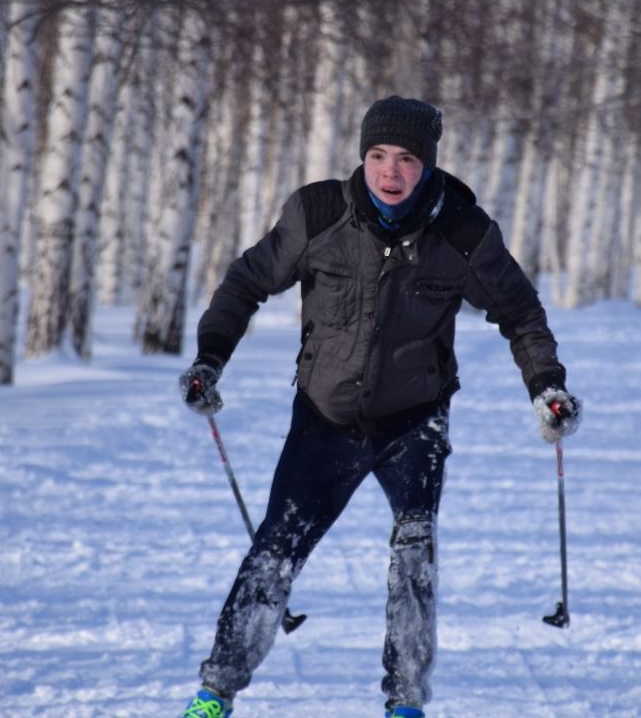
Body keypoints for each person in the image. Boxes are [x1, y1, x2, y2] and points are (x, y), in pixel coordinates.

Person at [178, 95, 582, 718]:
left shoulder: (463, 233)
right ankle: (215, 694)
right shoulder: (317, 215)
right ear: (362, 156)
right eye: (377, 155)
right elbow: (246, 281)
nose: (390, 172)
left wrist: (546, 385)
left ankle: (405, 703)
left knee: (413, 556)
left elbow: (520, 313)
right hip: (324, 418)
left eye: (406, 160)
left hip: (414, 421)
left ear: (429, 165)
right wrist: (210, 359)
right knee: (274, 550)